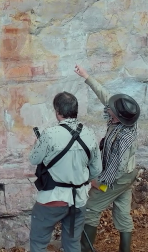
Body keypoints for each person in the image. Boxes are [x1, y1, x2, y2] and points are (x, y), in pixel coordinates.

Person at [74, 64, 140, 252]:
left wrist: (98, 182)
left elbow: (116, 168)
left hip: (119, 178)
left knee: (92, 206)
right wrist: (86, 76)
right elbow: (105, 96)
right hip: (128, 176)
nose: (107, 108)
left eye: (111, 109)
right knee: (122, 211)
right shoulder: (124, 117)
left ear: (118, 117)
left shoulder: (125, 138)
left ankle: (85, 248)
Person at [29, 92, 102, 252]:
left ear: (57, 111)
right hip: (79, 200)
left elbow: (34, 159)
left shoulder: (49, 134)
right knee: (72, 245)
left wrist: (37, 144)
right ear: (76, 110)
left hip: (52, 199)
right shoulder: (89, 134)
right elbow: (96, 169)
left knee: (38, 244)